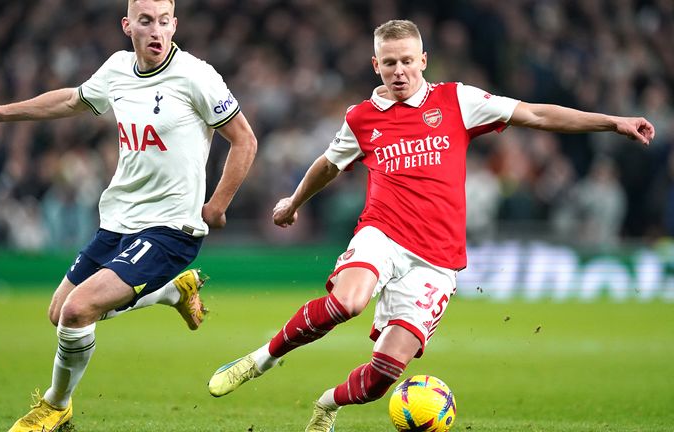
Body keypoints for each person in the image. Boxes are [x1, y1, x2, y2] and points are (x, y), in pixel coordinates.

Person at [207, 19, 654, 431]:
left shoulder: (457, 100)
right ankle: (262, 359)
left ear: (423, 61)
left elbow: (536, 114)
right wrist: (293, 201)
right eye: (389, 63)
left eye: (407, 61)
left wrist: (613, 122)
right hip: (381, 233)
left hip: (437, 261)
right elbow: (328, 164)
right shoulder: (361, 118)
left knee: (381, 379)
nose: (399, 71)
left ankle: (327, 404)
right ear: (375, 65)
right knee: (348, 303)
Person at [0, 1, 257, 431]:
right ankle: (175, 292)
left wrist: (217, 204)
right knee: (59, 312)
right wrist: (1, 112)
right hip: (119, 220)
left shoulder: (197, 76)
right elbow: (70, 101)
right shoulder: (118, 68)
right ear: (127, 26)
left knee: (78, 312)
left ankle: (55, 407)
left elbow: (244, 140)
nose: (156, 30)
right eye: (145, 21)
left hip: (172, 227)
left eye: (163, 21)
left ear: (175, 24)